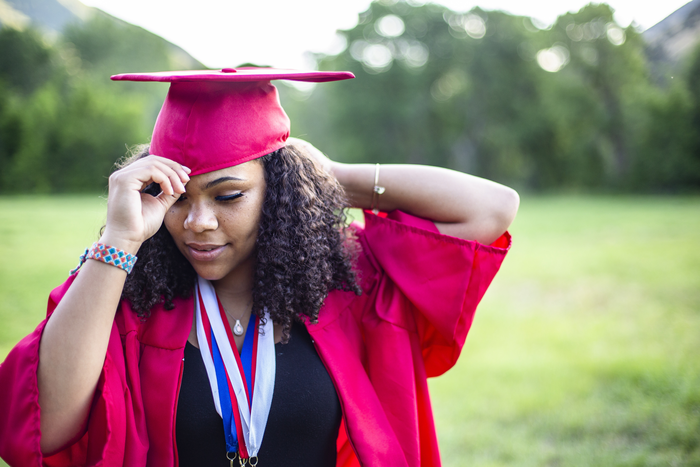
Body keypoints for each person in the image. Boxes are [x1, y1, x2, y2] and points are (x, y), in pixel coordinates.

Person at [0, 68, 519, 467]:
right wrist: (119, 240)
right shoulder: (125, 292)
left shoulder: (346, 277)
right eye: (174, 198)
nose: (198, 223)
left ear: (278, 192)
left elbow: (490, 209)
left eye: (229, 195)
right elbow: (44, 430)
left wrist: (330, 177)